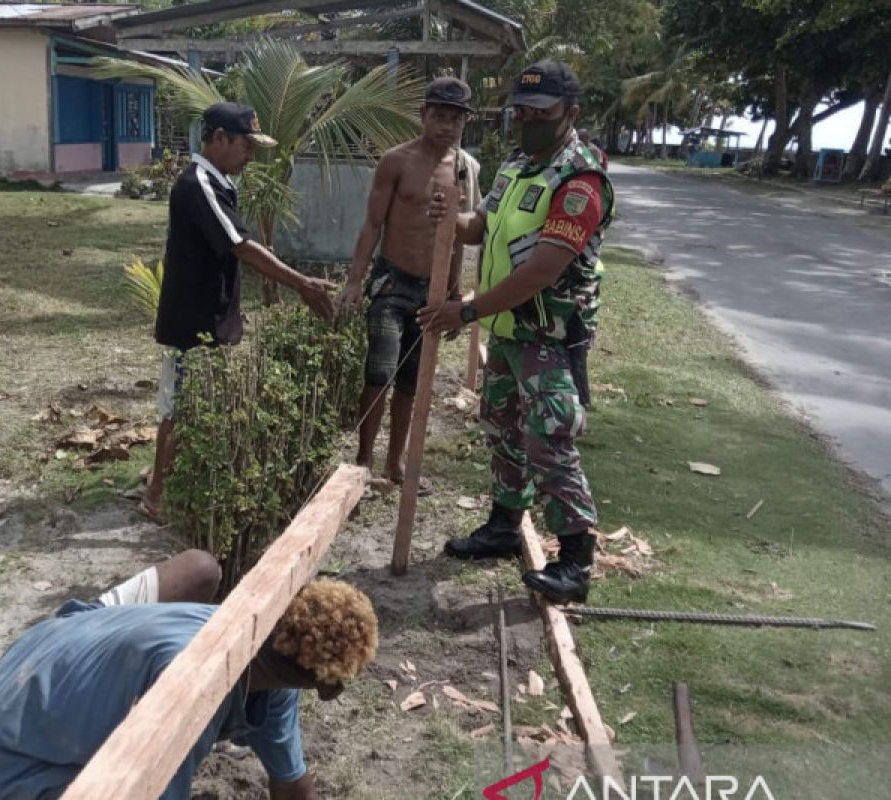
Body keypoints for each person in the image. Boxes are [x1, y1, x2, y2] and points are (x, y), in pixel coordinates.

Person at [417, 61, 614, 604]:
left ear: (569, 114)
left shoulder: (580, 179)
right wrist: (452, 216)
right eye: (520, 111)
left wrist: (468, 311)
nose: (527, 120)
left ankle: (575, 561)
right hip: (506, 327)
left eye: (539, 113)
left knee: (549, 437)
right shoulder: (517, 165)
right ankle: (505, 526)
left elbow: (542, 270)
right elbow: (483, 226)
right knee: (503, 426)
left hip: (549, 332)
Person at [0, 550, 379, 799]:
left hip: (38, 655)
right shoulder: (192, 695)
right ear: (328, 688)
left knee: (198, 569)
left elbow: (291, 782)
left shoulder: (266, 649)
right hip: (8, 747)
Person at [141, 102, 337, 522]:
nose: (251, 154)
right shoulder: (197, 185)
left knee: (201, 406)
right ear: (218, 139)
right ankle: (155, 493)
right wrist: (302, 284)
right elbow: (242, 246)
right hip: (191, 322)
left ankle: (179, 480)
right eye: (245, 145)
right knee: (180, 410)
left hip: (212, 316)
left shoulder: (221, 182)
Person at [337, 77, 478, 496]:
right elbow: (372, 224)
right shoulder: (396, 161)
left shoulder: (465, 170)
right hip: (392, 281)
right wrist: (354, 281)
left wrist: (454, 290)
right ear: (424, 116)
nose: (447, 126)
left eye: (456, 119)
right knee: (379, 370)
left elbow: (460, 236)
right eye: (440, 116)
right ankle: (363, 461)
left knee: (412, 381)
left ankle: (396, 463)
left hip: (432, 290)